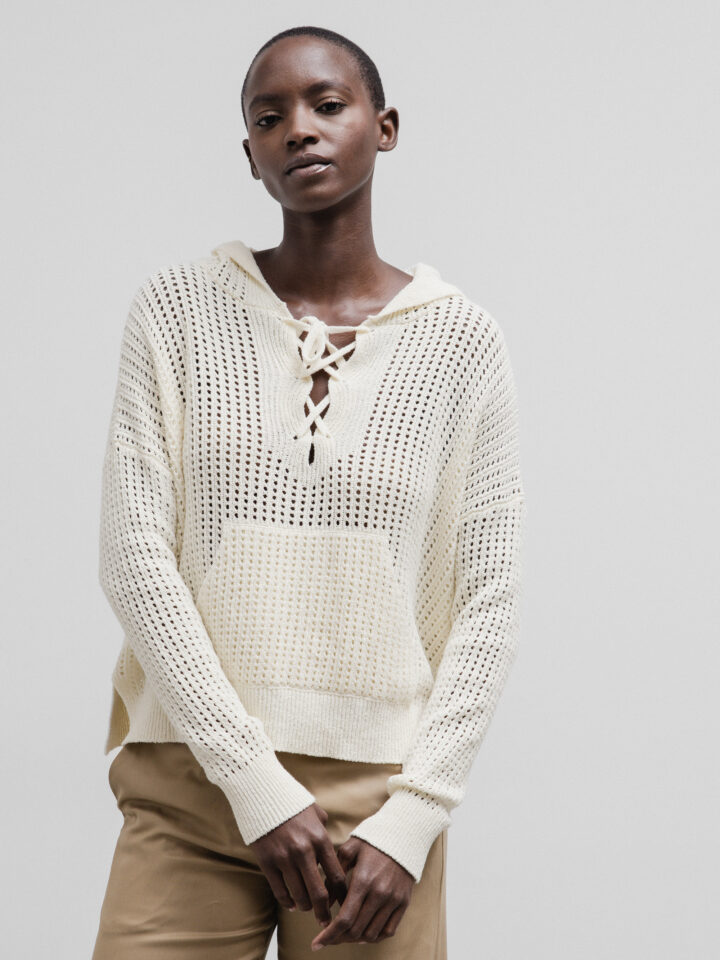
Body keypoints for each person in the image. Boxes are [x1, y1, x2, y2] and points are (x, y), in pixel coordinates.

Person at [91, 24, 526, 960]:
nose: (298, 129)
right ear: (250, 155)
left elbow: (488, 600)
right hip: (192, 779)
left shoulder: (462, 344)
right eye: (269, 117)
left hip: (376, 808)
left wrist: (414, 819)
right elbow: (134, 558)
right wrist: (250, 779)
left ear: (385, 127)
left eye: (328, 105)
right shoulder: (175, 313)